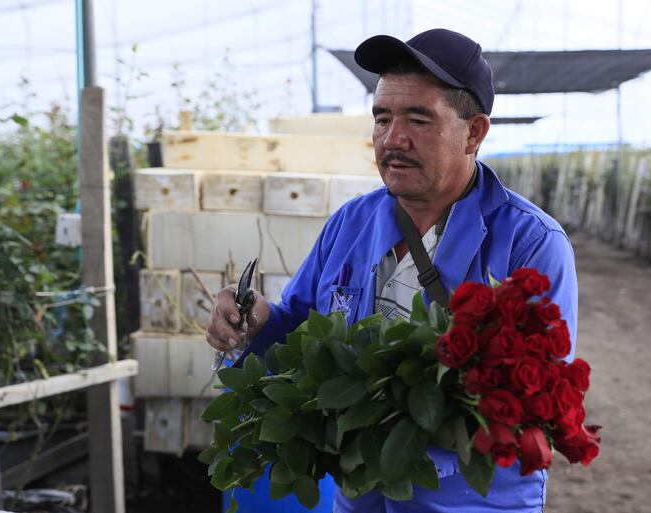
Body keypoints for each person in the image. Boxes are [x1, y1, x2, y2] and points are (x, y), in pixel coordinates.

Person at [206, 28, 578, 513]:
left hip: (469, 502)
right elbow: (296, 333)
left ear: (474, 132)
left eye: (419, 119)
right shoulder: (351, 224)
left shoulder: (529, 243)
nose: (392, 138)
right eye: (382, 118)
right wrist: (255, 320)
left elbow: (540, 394)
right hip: (359, 495)